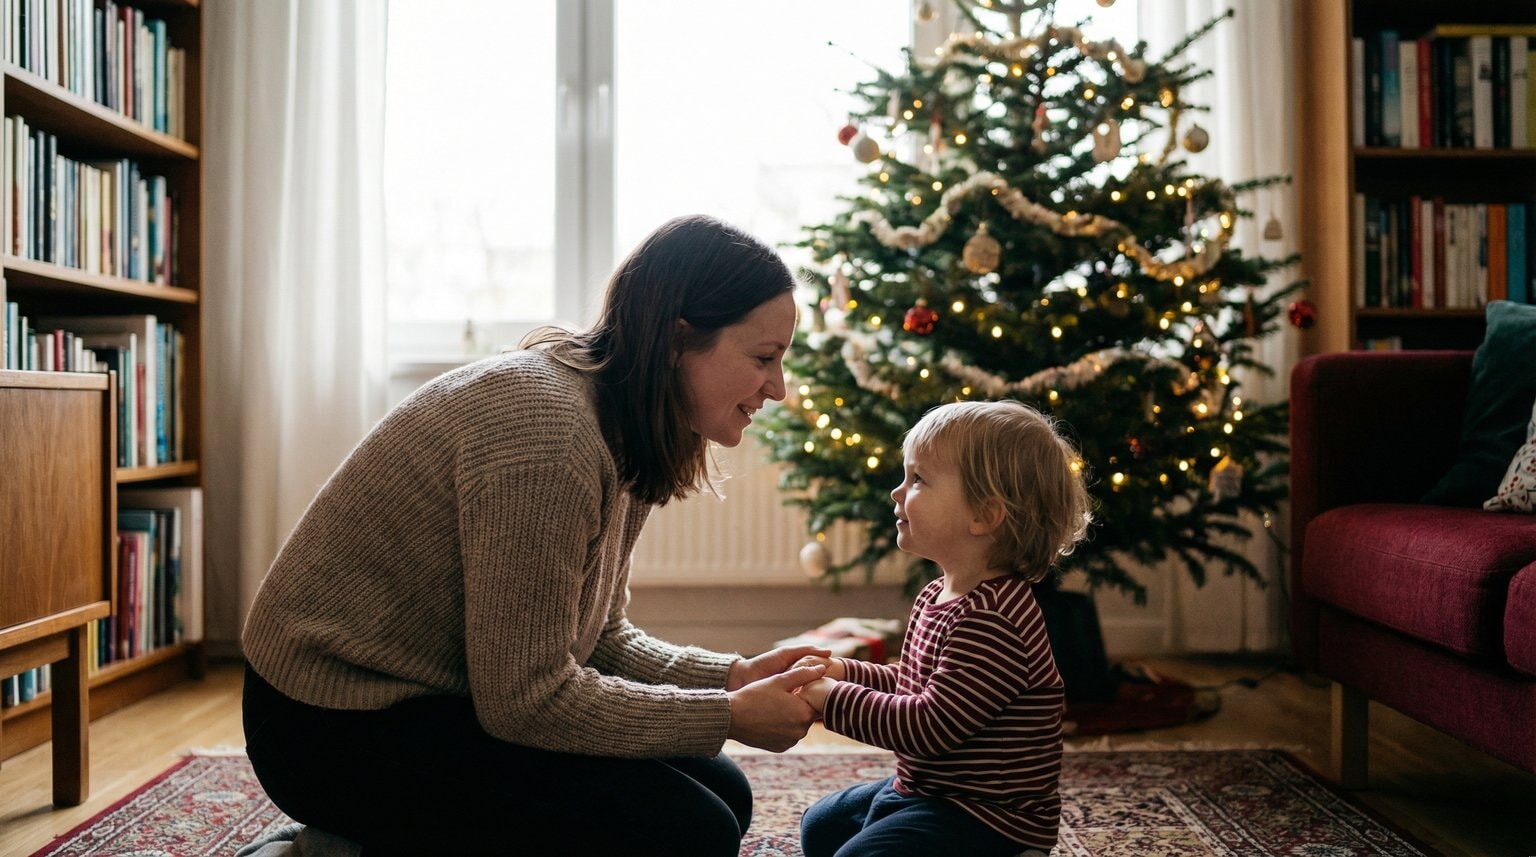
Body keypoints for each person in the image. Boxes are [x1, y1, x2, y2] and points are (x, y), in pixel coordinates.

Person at [240, 214, 831, 856]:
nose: (777, 387)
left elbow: (598, 637)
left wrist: (730, 678)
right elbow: (526, 698)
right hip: (328, 724)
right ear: (677, 339)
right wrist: (727, 716)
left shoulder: (621, 418)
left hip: (437, 698)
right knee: (688, 829)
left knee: (724, 796)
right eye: (764, 359)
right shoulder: (548, 437)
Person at [795, 400, 1092, 857]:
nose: (897, 493)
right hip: (930, 789)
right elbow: (912, 684)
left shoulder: (994, 618)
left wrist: (829, 699)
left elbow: (927, 725)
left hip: (990, 816)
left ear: (984, 515)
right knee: (822, 825)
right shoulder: (937, 595)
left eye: (918, 479)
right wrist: (841, 671)